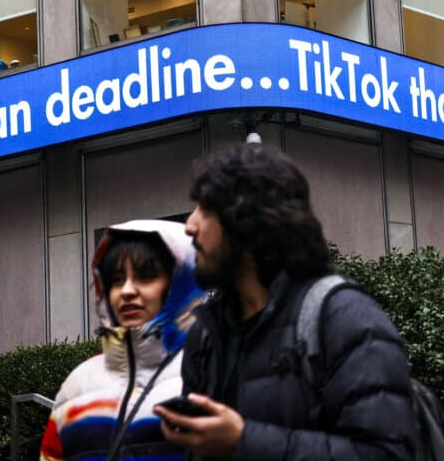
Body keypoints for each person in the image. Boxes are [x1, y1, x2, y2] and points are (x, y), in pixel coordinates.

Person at [154, 144, 415, 460]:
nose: (190, 226)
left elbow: (387, 454)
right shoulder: (206, 335)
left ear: (250, 222)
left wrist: (243, 442)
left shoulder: (346, 319)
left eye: (206, 210)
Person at [41, 220, 207, 461]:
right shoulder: (76, 385)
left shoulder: (211, 370)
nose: (127, 290)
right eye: (117, 279)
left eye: (146, 276)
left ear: (181, 283)